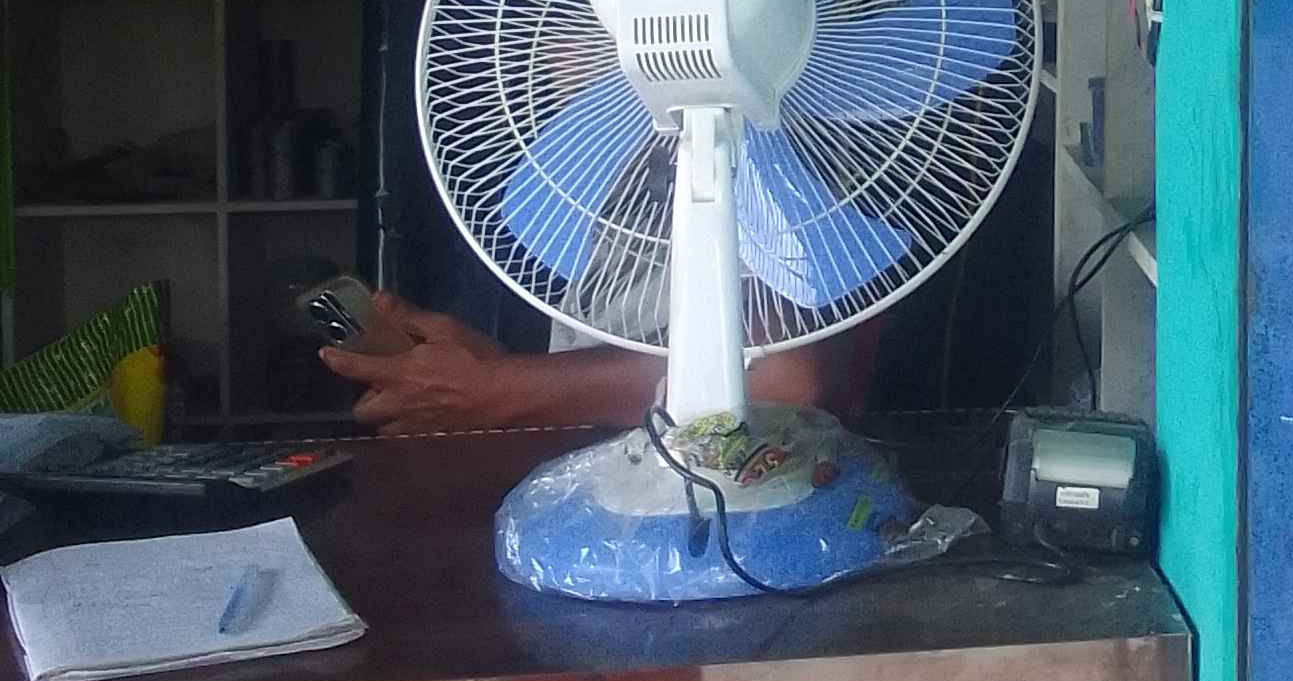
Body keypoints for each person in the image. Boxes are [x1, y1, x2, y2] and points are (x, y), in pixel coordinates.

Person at [322, 294, 881, 436]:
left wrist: (503, 390)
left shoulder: (790, 162)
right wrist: (490, 373)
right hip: (603, 503)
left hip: (753, 528)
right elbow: (586, 384)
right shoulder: (585, 183)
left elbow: (784, 375)